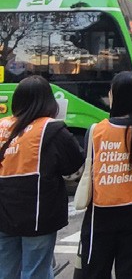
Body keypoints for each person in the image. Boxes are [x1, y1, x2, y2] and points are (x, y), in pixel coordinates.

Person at [79, 72, 132, 278]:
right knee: (131, 272)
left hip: (102, 214)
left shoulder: (96, 131)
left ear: (115, 96)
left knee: (95, 271)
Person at [0, 76, 83, 279]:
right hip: (37, 215)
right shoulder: (51, 129)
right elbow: (74, 166)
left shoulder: (2, 126)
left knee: (6, 270)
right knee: (36, 271)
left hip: (3, 215)